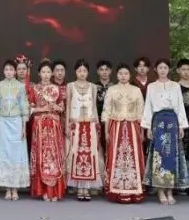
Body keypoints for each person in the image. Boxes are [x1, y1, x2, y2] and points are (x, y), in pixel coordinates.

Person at [142, 58, 189, 204]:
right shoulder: (151, 86)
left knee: (171, 154)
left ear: (169, 69)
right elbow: (148, 107)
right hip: (158, 121)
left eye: (165, 68)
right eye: (160, 68)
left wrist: (181, 125)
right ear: (156, 70)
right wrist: (148, 127)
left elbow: (180, 105)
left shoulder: (175, 86)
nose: (163, 70)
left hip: (172, 121)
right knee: (159, 155)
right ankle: (160, 190)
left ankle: (170, 190)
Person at [102, 64, 145, 203]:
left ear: (130, 75)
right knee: (116, 157)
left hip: (133, 127)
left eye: (126, 73)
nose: (123, 76)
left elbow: (140, 113)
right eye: (120, 73)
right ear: (117, 75)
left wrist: (142, 132)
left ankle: (134, 190)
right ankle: (116, 190)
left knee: (133, 157)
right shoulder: (112, 90)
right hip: (116, 127)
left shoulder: (136, 90)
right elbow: (106, 111)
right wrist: (106, 131)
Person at [0, 58, 30, 200]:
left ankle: (15, 188)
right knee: (5, 154)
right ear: (3, 71)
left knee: (16, 154)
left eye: (11, 69)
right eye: (6, 69)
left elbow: (24, 107)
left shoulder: (20, 87)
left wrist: (24, 127)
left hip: (16, 122)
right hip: (3, 122)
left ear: (15, 71)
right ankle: (7, 188)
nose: (9, 72)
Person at [66, 59, 104, 201]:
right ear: (75, 72)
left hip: (90, 125)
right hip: (75, 125)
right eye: (79, 71)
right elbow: (68, 106)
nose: (82, 73)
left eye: (84, 71)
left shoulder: (93, 87)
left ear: (88, 72)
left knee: (90, 155)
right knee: (76, 155)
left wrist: (97, 124)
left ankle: (86, 187)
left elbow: (93, 106)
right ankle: (78, 188)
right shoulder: (70, 86)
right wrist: (67, 125)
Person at [29, 59, 66, 201]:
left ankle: (54, 191)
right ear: (39, 73)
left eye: (48, 72)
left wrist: (56, 107)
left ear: (52, 74)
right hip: (40, 126)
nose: (46, 74)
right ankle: (43, 190)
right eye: (43, 72)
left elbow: (61, 107)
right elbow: (30, 108)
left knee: (54, 156)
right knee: (41, 156)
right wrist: (42, 108)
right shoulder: (34, 89)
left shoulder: (56, 89)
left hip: (54, 126)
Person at [175, 58, 189, 194]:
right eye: (183, 69)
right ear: (178, 71)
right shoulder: (174, 86)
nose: (186, 72)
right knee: (181, 153)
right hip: (180, 125)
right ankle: (181, 183)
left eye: (188, 69)